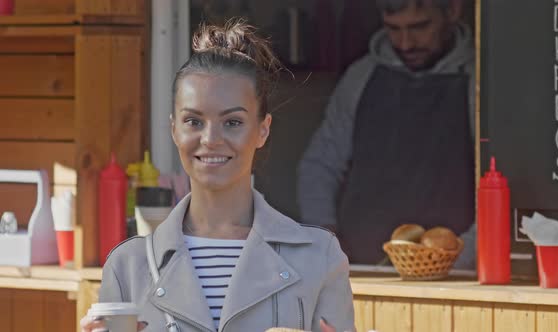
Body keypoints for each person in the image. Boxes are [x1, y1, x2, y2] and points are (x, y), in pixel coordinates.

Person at [81, 19, 354, 332]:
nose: (210, 139)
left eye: (233, 122)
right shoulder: (127, 266)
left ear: (262, 129)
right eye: (194, 122)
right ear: (174, 129)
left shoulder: (320, 257)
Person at [297, 0, 476, 267]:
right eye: (394, 29)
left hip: (453, 274)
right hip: (362, 268)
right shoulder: (361, 77)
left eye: (419, 26)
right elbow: (320, 165)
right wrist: (326, 240)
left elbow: (504, 190)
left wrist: (462, 259)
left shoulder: (481, 79)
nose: (405, 43)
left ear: (452, 10)